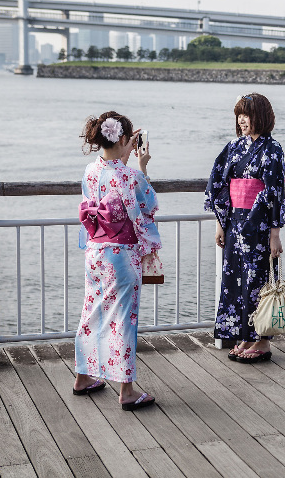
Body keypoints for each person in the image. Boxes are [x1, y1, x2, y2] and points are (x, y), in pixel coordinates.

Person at [73, 111, 161, 411]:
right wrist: (142, 166)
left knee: (92, 312)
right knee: (124, 320)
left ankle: (83, 378)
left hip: (96, 252)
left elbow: (111, 180)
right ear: (124, 139)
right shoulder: (130, 175)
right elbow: (148, 203)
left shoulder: (90, 170)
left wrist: (126, 161)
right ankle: (126, 391)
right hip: (121, 255)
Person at [205, 93, 285, 363]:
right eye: (239, 114)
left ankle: (261, 341)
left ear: (260, 117)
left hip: (259, 226)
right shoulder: (233, 147)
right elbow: (219, 185)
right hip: (234, 225)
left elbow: (274, 193)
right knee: (233, 282)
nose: (241, 120)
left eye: (247, 114)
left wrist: (275, 234)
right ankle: (243, 336)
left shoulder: (272, 149)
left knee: (256, 283)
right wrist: (220, 224)